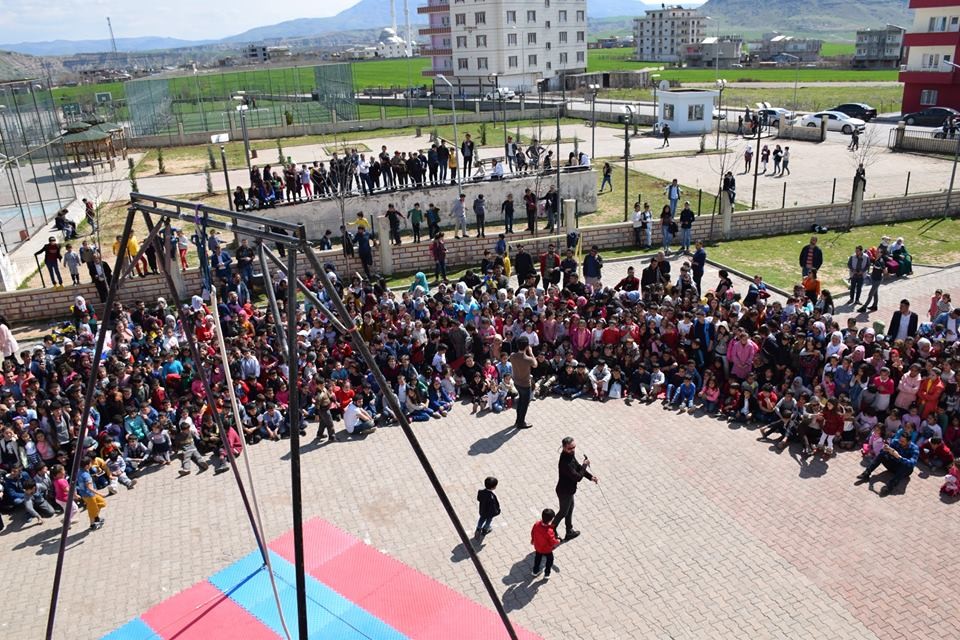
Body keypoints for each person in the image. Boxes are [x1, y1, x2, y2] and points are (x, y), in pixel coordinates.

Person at [551, 436, 597, 540]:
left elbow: (577, 467)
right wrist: (585, 465)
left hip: (569, 490)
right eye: (570, 448)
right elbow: (577, 477)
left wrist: (590, 477)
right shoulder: (565, 462)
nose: (573, 450)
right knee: (563, 512)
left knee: (569, 509)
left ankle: (569, 531)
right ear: (563, 448)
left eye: (574, 447)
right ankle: (551, 529)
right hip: (564, 491)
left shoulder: (570, 455)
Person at [856, 431, 919, 496]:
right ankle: (866, 473)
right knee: (882, 454)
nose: (900, 442)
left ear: (909, 442)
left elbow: (912, 463)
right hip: (893, 465)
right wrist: (884, 449)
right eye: (900, 440)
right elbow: (883, 452)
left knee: (906, 466)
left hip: (903, 470)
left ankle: (889, 487)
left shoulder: (915, 449)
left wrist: (899, 457)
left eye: (903, 442)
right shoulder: (895, 441)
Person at [509, 336, 537, 429]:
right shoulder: (528, 359)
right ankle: (521, 423)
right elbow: (535, 364)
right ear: (526, 346)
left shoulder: (512, 356)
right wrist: (531, 352)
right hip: (525, 384)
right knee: (524, 404)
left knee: (520, 401)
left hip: (516, 382)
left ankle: (518, 420)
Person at [77, 456, 107, 530]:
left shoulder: (79, 471)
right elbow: (90, 488)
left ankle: (96, 518)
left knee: (102, 503)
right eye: (90, 463)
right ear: (87, 466)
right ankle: (92, 525)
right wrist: (100, 493)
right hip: (89, 495)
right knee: (92, 511)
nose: (91, 464)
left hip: (87, 494)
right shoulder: (86, 476)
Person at [531, 508, 561, 578]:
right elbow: (552, 541)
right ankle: (547, 573)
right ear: (550, 520)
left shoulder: (536, 524)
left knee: (537, 559)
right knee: (550, 560)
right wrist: (558, 541)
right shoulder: (549, 531)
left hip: (538, 547)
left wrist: (533, 540)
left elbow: (532, 533)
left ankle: (535, 571)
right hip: (547, 549)